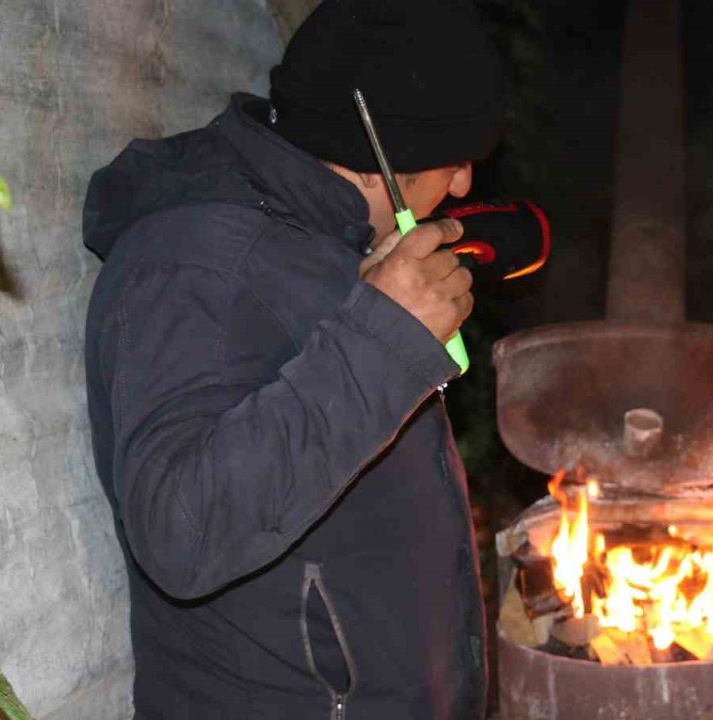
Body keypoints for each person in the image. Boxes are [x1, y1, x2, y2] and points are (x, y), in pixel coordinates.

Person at [81, 1, 505, 718]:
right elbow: (181, 527)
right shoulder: (193, 263)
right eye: (455, 156)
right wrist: (384, 339)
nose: (463, 184)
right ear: (382, 153)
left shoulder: (328, 244)